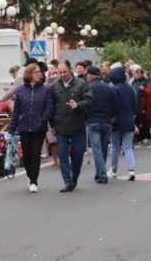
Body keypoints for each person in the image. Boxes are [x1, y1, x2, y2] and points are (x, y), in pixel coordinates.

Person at [7, 63, 55, 193]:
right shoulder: (21, 90)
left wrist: (42, 119)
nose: (40, 74)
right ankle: (29, 175)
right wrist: (11, 130)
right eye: (36, 72)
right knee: (27, 156)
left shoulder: (45, 90)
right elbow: (16, 111)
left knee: (35, 154)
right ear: (29, 74)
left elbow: (50, 107)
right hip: (24, 127)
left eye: (40, 72)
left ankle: (34, 181)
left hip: (39, 127)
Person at [50, 59, 94, 192]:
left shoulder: (81, 84)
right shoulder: (55, 86)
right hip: (61, 125)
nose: (63, 75)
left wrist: (78, 105)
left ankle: (74, 176)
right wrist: (52, 125)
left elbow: (90, 100)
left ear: (70, 69)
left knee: (78, 154)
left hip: (77, 125)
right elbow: (51, 107)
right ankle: (67, 181)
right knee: (62, 154)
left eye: (65, 72)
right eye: (60, 72)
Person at [85, 66, 117, 184]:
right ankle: (99, 172)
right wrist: (110, 115)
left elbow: (85, 105)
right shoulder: (109, 88)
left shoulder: (88, 88)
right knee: (103, 148)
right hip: (107, 121)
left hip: (93, 120)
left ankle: (102, 174)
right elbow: (116, 105)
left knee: (96, 149)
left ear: (90, 75)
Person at [108, 66, 136, 180]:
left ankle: (113, 170)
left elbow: (112, 105)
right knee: (127, 146)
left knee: (115, 146)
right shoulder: (130, 88)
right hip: (129, 119)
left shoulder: (113, 88)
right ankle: (131, 170)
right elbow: (134, 104)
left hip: (116, 120)